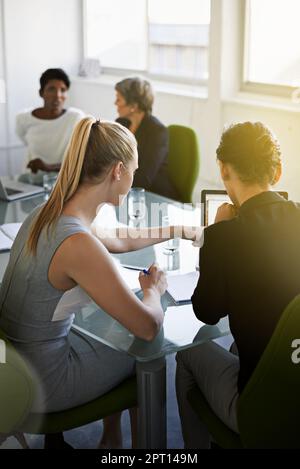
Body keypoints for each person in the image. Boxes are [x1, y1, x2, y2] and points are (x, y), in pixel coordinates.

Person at [0, 117, 198, 449]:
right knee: (147, 351)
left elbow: (116, 238)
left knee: (110, 327)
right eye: (134, 170)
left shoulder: (49, 212)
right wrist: (153, 291)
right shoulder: (78, 244)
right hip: (42, 383)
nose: (135, 178)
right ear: (118, 170)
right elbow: (148, 326)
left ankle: (111, 437)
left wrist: (178, 229)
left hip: (15, 366)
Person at [176, 121, 300, 449]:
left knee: (189, 353)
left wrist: (216, 233)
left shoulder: (224, 237)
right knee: (236, 348)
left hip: (263, 413)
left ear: (224, 170)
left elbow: (207, 312)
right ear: (277, 172)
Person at [16, 68, 85, 185]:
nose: (57, 95)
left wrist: (49, 167)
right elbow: (24, 138)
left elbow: (80, 159)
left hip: (62, 182)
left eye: (63, 90)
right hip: (30, 181)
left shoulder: (76, 118)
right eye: (51, 89)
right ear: (41, 93)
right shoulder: (23, 118)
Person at [115, 77, 179, 200]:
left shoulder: (157, 131)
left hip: (154, 196)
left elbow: (145, 178)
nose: (115, 103)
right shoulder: (121, 123)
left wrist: (114, 180)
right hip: (127, 191)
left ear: (133, 105)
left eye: (119, 99)